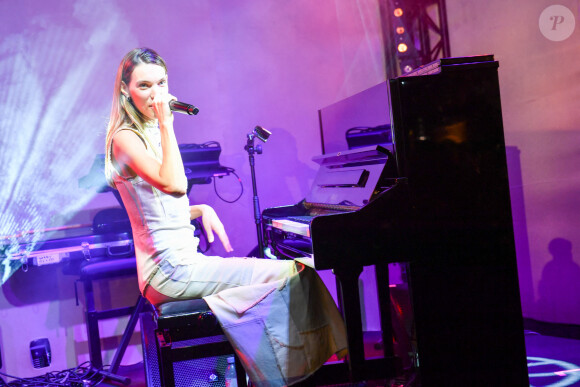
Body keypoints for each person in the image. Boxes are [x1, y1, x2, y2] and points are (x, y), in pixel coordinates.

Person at [104, 48, 347, 386]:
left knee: (294, 275)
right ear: (125, 91)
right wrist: (165, 122)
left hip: (184, 264)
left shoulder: (150, 135)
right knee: (291, 275)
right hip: (168, 271)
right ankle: (286, 375)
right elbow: (174, 185)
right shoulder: (126, 138)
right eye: (145, 85)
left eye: (162, 83)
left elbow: (155, 208)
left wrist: (201, 208)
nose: (156, 94)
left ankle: (249, 373)